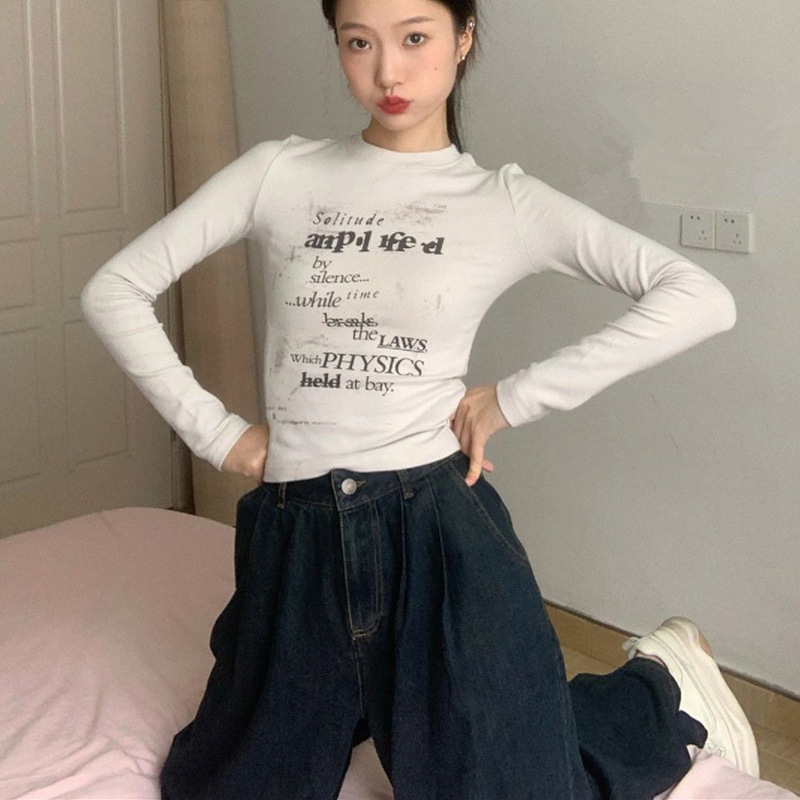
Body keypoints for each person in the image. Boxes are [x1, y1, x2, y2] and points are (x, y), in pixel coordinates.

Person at [80, 0, 756, 797]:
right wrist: (216, 433)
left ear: (463, 38)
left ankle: (659, 683)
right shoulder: (278, 173)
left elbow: (700, 298)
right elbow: (113, 288)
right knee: (222, 787)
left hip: (437, 531)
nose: (387, 71)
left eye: (414, 37)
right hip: (298, 535)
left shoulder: (501, 202)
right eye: (358, 42)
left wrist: (514, 397)